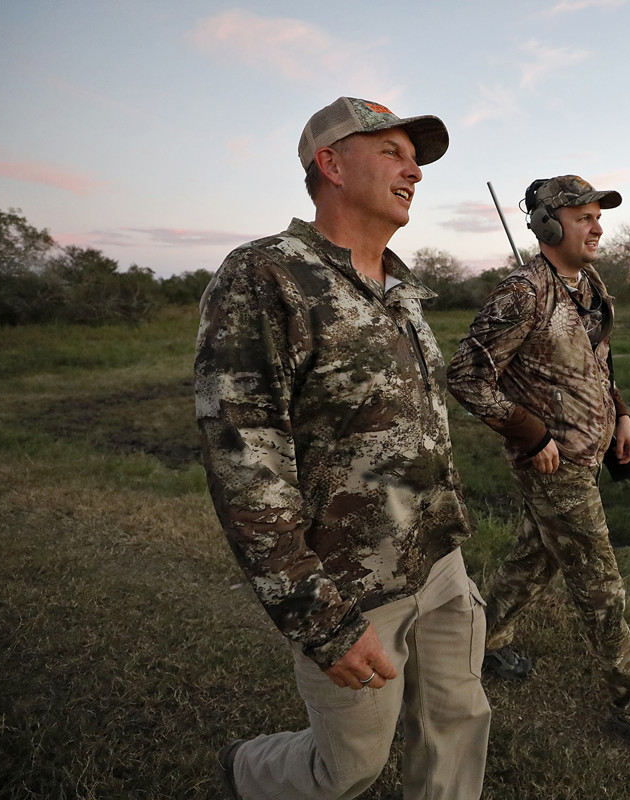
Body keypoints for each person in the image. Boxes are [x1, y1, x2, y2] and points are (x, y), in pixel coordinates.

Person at [195, 97, 490, 800]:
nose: (413, 170)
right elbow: (245, 463)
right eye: (391, 151)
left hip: (439, 561)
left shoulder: (403, 288)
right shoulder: (266, 276)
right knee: (348, 770)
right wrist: (318, 617)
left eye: (415, 158)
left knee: (457, 724)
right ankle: (248, 771)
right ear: (330, 164)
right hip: (349, 585)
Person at [446, 175, 630, 752]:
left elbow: (597, 359)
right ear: (547, 224)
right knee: (599, 584)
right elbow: (465, 376)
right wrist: (532, 434)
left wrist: (621, 416)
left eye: (598, 216)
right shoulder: (523, 293)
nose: (598, 226)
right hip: (552, 464)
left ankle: (479, 646)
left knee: (534, 560)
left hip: (589, 450)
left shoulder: (589, 283)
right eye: (584, 216)